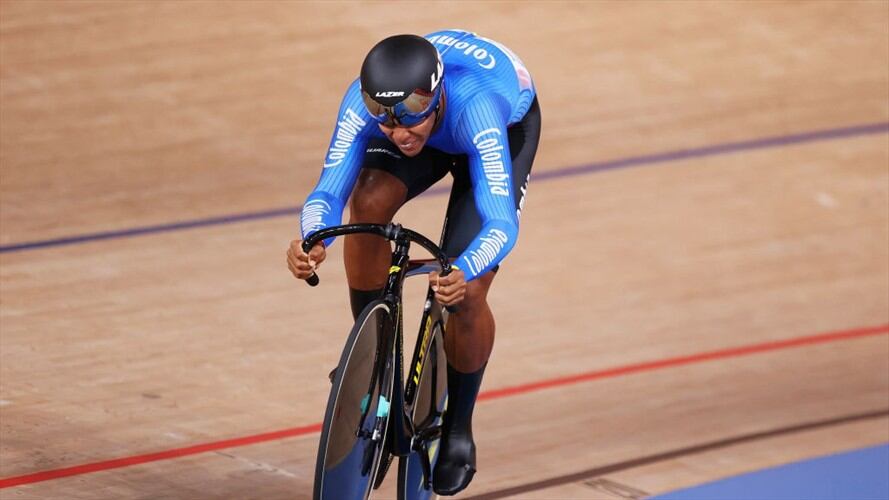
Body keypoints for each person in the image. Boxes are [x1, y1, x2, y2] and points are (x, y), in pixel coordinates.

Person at [286, 29, 540, 495]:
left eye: (412, 116)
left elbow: (501, 224)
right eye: (384, 120)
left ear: (436, 92)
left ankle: (459, 428)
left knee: (469, 292)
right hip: (446, 121)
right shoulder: (369, 109)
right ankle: (375, 357)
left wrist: (465, 269)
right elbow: (328, 191)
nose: (399, 132)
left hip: (496, 126)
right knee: (366, 205)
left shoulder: (477, 106)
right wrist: (310, 238)